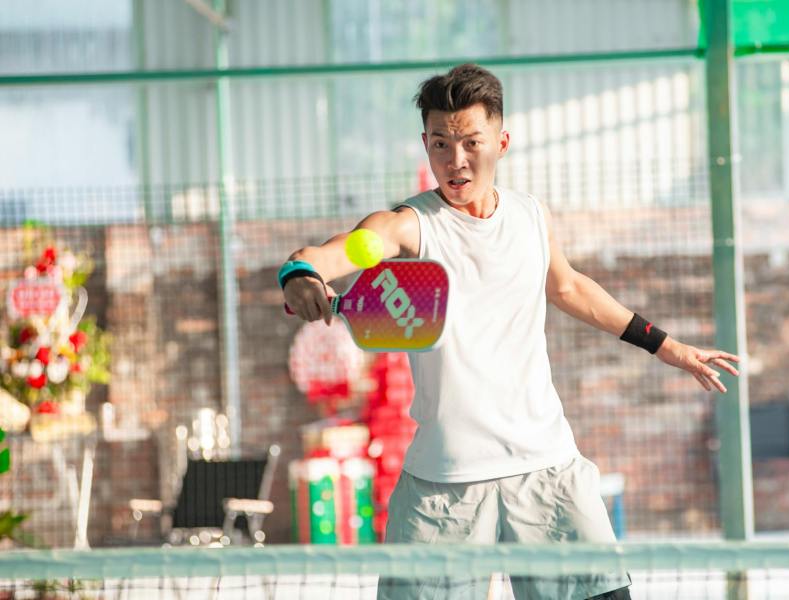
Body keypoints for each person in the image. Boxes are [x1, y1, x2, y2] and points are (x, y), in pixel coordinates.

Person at [280, 63, 740, 600]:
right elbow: (335, 252)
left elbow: (568, 288)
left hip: (547, 468)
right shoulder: (411, 224)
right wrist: (300, 272)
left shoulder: (529, 215)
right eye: (440, 144)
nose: (455, 161)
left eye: (471, 142)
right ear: (425, 144)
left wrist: (666, 345)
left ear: (501, 140)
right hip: (444, 484)